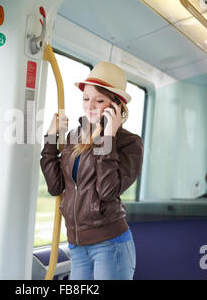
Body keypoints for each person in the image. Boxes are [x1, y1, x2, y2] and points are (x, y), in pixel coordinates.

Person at [40, 61, 144, 280]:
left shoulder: (129, 143)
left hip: (110, 245)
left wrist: (108, 139)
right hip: (77, 246)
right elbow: (56, 186)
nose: (90, 106)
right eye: (86, 99)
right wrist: (50, 139)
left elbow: (108, 190)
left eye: (99, 100)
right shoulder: (74, 136)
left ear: (116, 105)